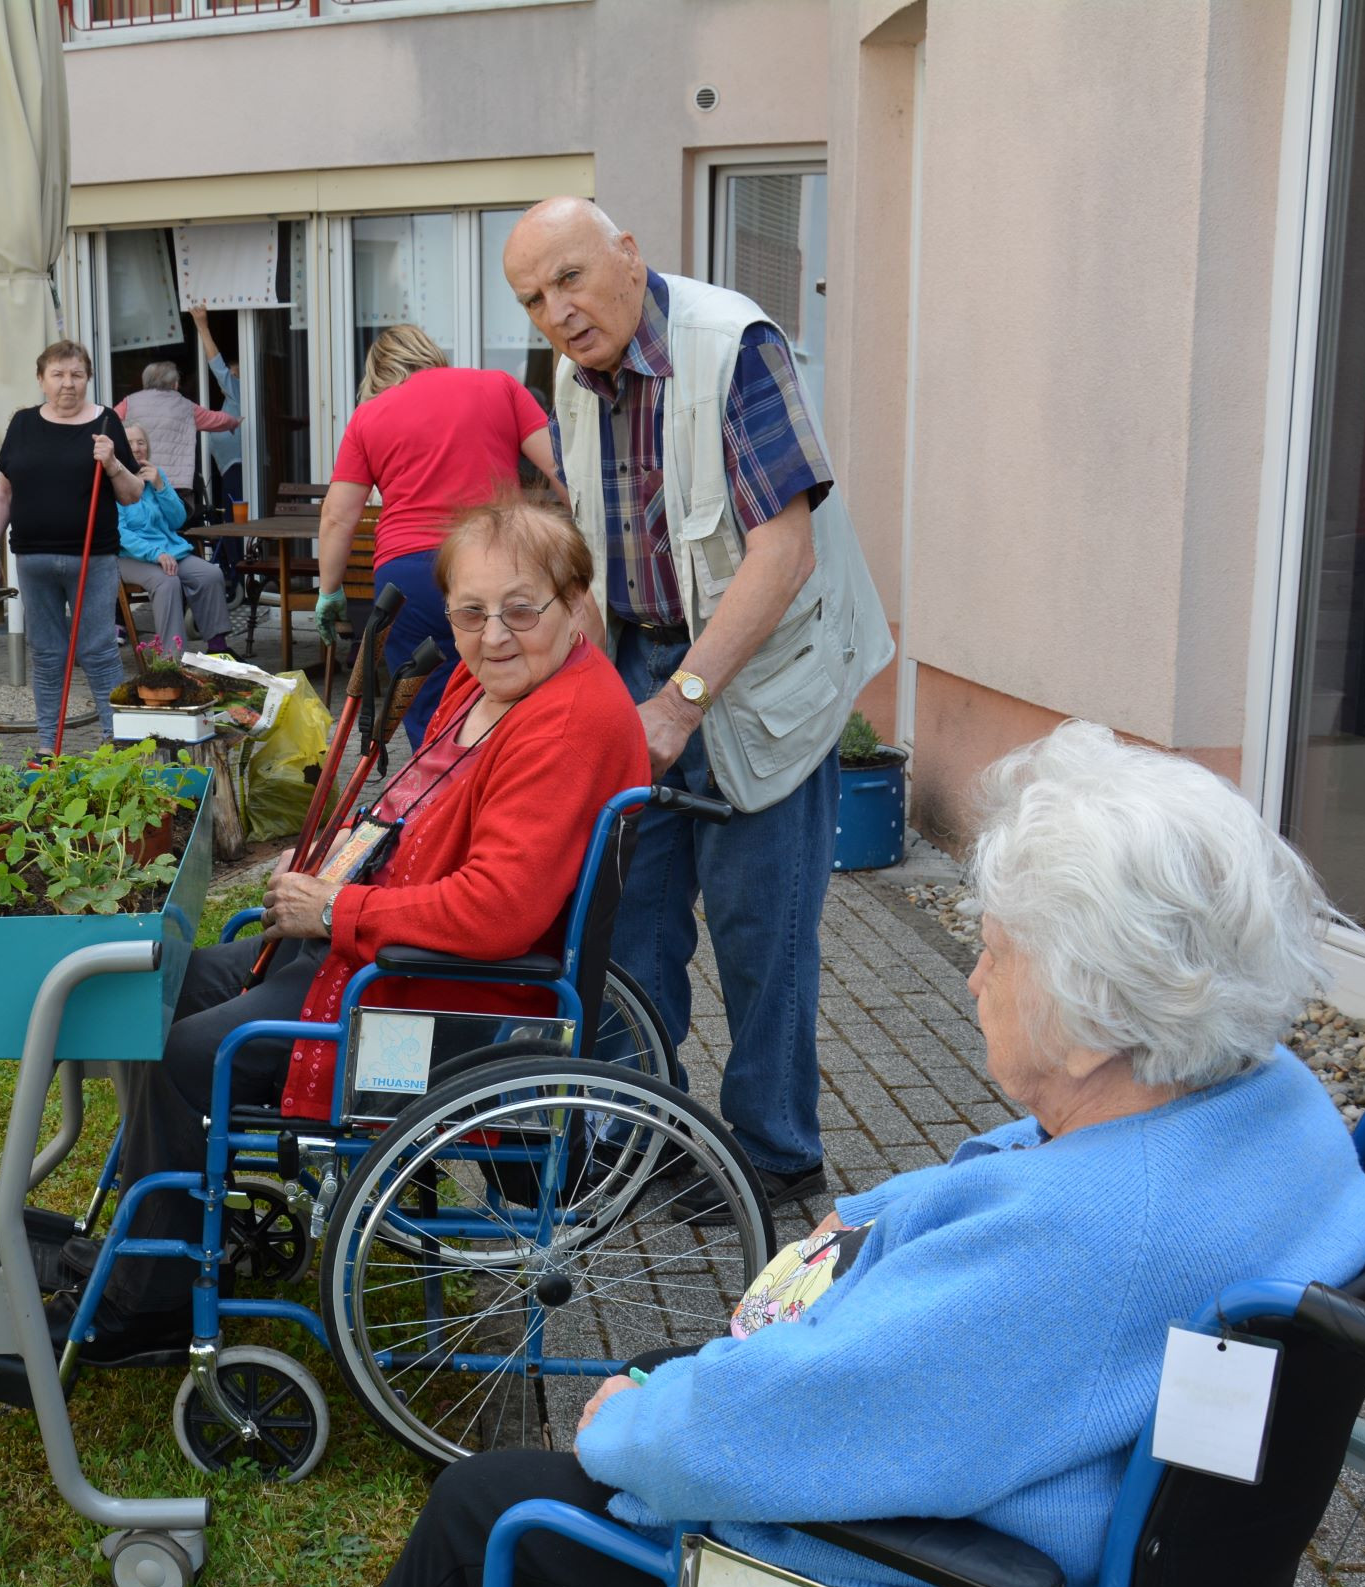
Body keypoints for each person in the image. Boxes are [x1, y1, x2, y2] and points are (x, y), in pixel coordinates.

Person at [350, 722, 1365, 1587]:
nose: (973, 977)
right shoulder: (1272, 1101)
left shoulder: (1081, 1243)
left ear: (1095, 1022)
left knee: (486, 1509)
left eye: (994, 952)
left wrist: (627, 1424)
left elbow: (811, 1413)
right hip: (1021, 1476)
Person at [69, 498, 645, 1356]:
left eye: (520, 609)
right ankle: (169, 1238)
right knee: (163, 984)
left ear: (574, 605)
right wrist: (351, 852)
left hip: (435, 1004)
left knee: (191, 1056)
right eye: (469, 611)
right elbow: (426, 813)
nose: (491, 635)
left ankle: (150, 1297)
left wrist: (339, 907)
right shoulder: (489, 683)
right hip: (383, 957)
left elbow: (496, 908)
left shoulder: (564, 722)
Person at [502, 196, 894, 1215]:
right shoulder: (571, 377)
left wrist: (676, 704)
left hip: (761, 683)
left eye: (569, 280)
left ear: (626, 257)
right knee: (630, 931)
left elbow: (783, 552)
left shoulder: (735, 346)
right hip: (644, 672)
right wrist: (571, 689)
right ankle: (646, 1136)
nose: (556, 311)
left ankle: (775, 1153)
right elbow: (591, 556)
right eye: (532, 298)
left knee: (762, 936)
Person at [317, 326, 561, 748]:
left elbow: (339, 517)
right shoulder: (499, 387)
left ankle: (437, 801)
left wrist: (329, 589)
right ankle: (506, 789)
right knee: (512, 689)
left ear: (380, 374)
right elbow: (563, 470)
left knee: (427, 709)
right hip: (493, 564)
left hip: (406, 582)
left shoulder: (369, 416)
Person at [0, 341, 143, 750]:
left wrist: (113, 464)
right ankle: (46, 747)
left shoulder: (106, 423)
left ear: (87, 378)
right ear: (41, 380)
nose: (67, 383)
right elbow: (2, 494)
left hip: (92, 558)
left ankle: (117, 745)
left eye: (76, 374)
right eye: (58, 374)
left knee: (99, 651)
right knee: (48, 655)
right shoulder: (21, 425)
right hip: (32, 559)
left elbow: (132, 494)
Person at [114, 422, 231, 655]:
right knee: (167, 582)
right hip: (127, 556)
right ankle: (172, 659)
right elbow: (120, 533)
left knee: (210, 574)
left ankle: (218, 648)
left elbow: (177, 520)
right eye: (129, 444)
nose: (137, 448)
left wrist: (160, 485)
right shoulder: (113, 480)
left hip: (168, 550)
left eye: (141, 442)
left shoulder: (156, 476)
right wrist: (155, 554)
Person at [116, 357, 239, 526]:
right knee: (179, 523)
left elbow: (109, 422)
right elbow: (217, 419)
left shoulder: (129, 403)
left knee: (145, 524)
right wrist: (234, 421)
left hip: (139, 483)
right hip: (176, 488)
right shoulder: (185, 406)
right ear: (174, 384)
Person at [190, 304, 247, 515]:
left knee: (234, 525)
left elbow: (217, 366)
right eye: (231, 373)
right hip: (231, 469)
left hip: (239, 468)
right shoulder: (232, 400)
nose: (230, 378)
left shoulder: (241, 391)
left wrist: (202, 327)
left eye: (235, 374)